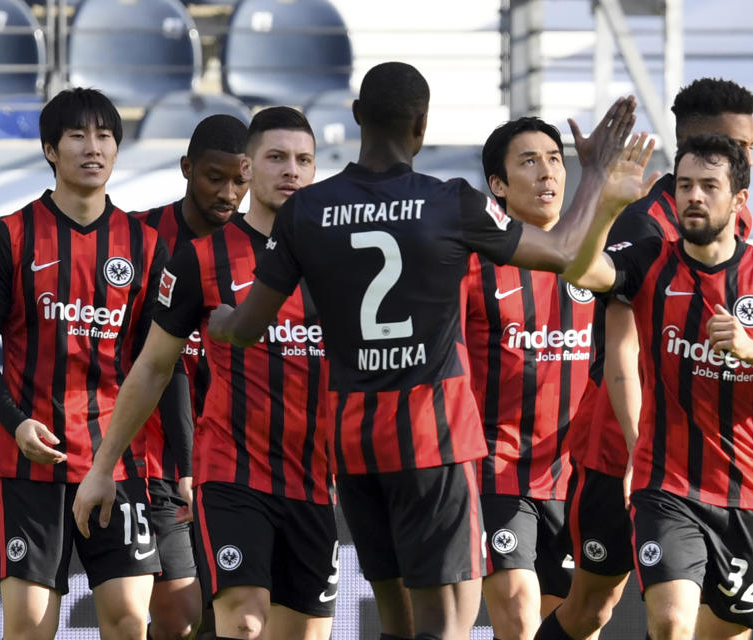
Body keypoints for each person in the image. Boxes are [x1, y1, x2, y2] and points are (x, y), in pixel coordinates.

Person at [202, 61, 656, 640]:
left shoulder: (306, 213)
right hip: (430, 438)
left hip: (354, 444)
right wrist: (591, 173)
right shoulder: (450, 203)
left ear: (358, 117)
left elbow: (245, 329)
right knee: (442, 622)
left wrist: (221, 322)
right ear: (421, 126)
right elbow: (568, 249)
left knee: (397, 617)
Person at [538, 133, 753, 640]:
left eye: (709, 186)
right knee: (672, 621)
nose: (694, 196)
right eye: (684, 185)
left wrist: (751, 350)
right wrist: (606, 206)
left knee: (723, 632)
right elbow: (580, 268)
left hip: (749, 494)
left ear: (739, 199)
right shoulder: (652, 261)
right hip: (666, 486)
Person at [73, 106, 337, 640]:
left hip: (315, 480)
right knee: (239, 622)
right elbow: (151, 367)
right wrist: (103, 467)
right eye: (276, 158)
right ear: (251, 166)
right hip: (230, 473)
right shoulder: (199, 259)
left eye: (303, 160)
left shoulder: (341, 260)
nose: (291, 170)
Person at [537, 77, 753, 640]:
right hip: (625, 450)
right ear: (704, 147)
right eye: (743, 147)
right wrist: (643, 450)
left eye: (752, 148)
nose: (751, 159)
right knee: (592, 605)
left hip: (709, 461)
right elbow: (619, 349)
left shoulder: (733, 215)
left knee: (696, 621)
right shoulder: (642, 222)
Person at [0, 87, 166, 640]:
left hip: (117, 461)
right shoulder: (10, 235)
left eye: (104, 136)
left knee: (128, 621)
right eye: (77, 135)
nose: (92, 147)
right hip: (31, 464)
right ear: (51, 149)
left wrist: (183, 465)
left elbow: (158, 364)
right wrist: (16, 421)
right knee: (29, 628)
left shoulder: (145, 246)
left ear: (118, 149)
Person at [460, 117, 594, 640]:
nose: (547, 172)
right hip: (498, 470)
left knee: (572, 624)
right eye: (529, 161)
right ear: (498, 184)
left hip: (576, 476)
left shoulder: (597, 261)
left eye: (555, 159)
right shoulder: (474, 265)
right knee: (518, 616)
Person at [131, 114, 249, 640]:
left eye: (240, 180)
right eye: (215, 178)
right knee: (178, 617)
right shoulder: (141, 238)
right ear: (186, 169)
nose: (229, 193)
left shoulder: (263, 251)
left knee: (233, 614)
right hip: (157, 461)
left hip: (237, 463)